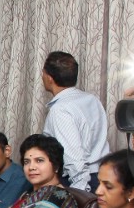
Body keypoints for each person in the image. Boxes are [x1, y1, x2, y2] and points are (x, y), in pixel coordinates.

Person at [41, 50, 109, 192]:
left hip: (82, 182)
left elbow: (74, 159)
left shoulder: (60, 110)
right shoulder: (91, 99)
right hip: (102, 178)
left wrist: (81, 196)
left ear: (49, 78)